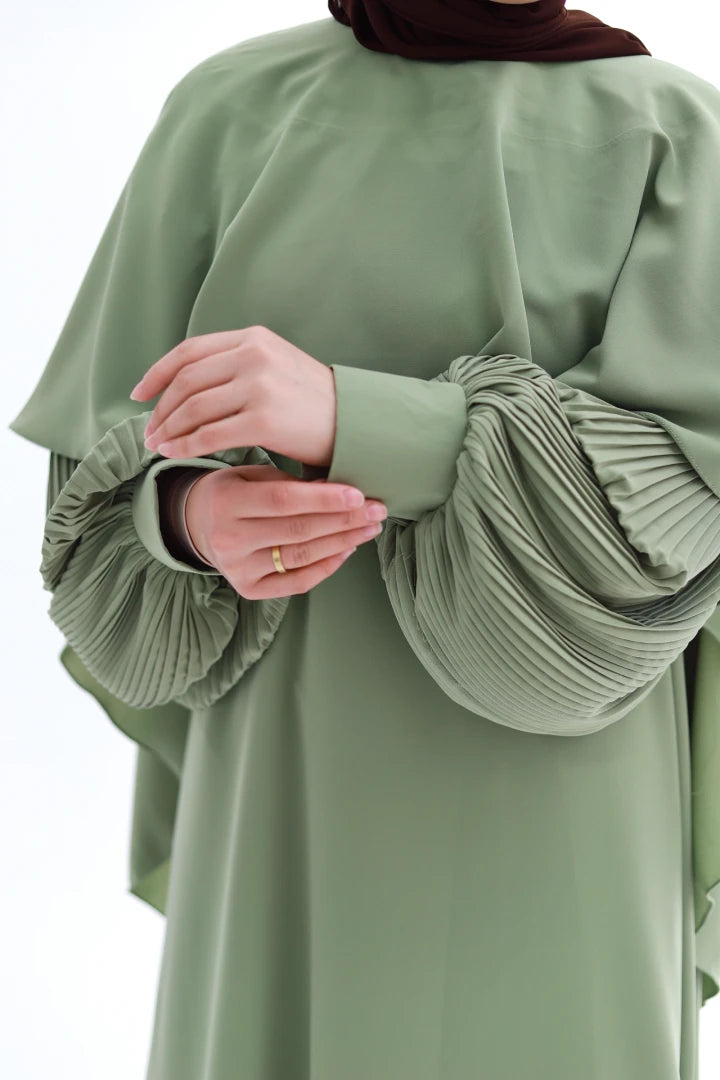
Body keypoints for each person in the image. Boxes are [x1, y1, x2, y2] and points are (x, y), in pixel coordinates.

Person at [9, 2, 720, 1077]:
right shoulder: (229, 110)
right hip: (285, 771)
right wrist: (190, 517)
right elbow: (100, 472)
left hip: (569, 792)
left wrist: (359, 421)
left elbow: (681, 491)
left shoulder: (672, 133)